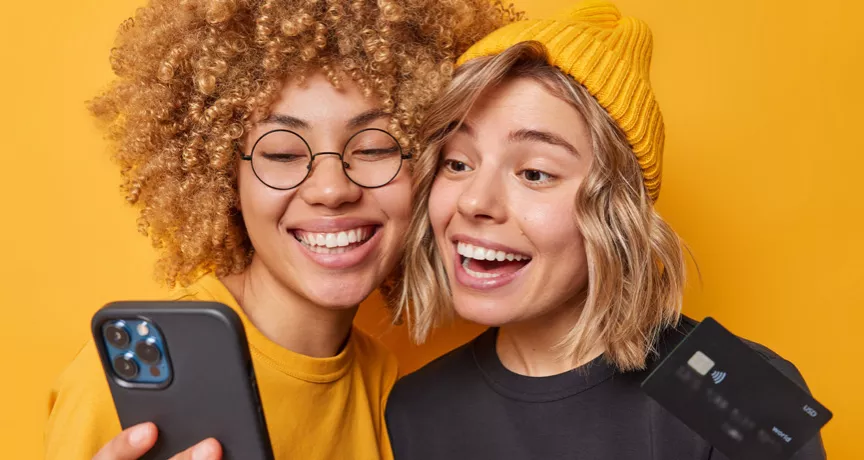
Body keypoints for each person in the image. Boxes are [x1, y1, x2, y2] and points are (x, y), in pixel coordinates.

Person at [44, 1, 514, 459]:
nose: (332, 189)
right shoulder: (119, 387)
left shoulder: (390, 385)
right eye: (284, 154)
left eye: (373, 149)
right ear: (226, 175)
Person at [385, 2, 827, 459]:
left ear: (617, 209)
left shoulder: (740, 389)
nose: (474, 201)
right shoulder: (414, 411)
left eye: (535, 173)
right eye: (457, 163)